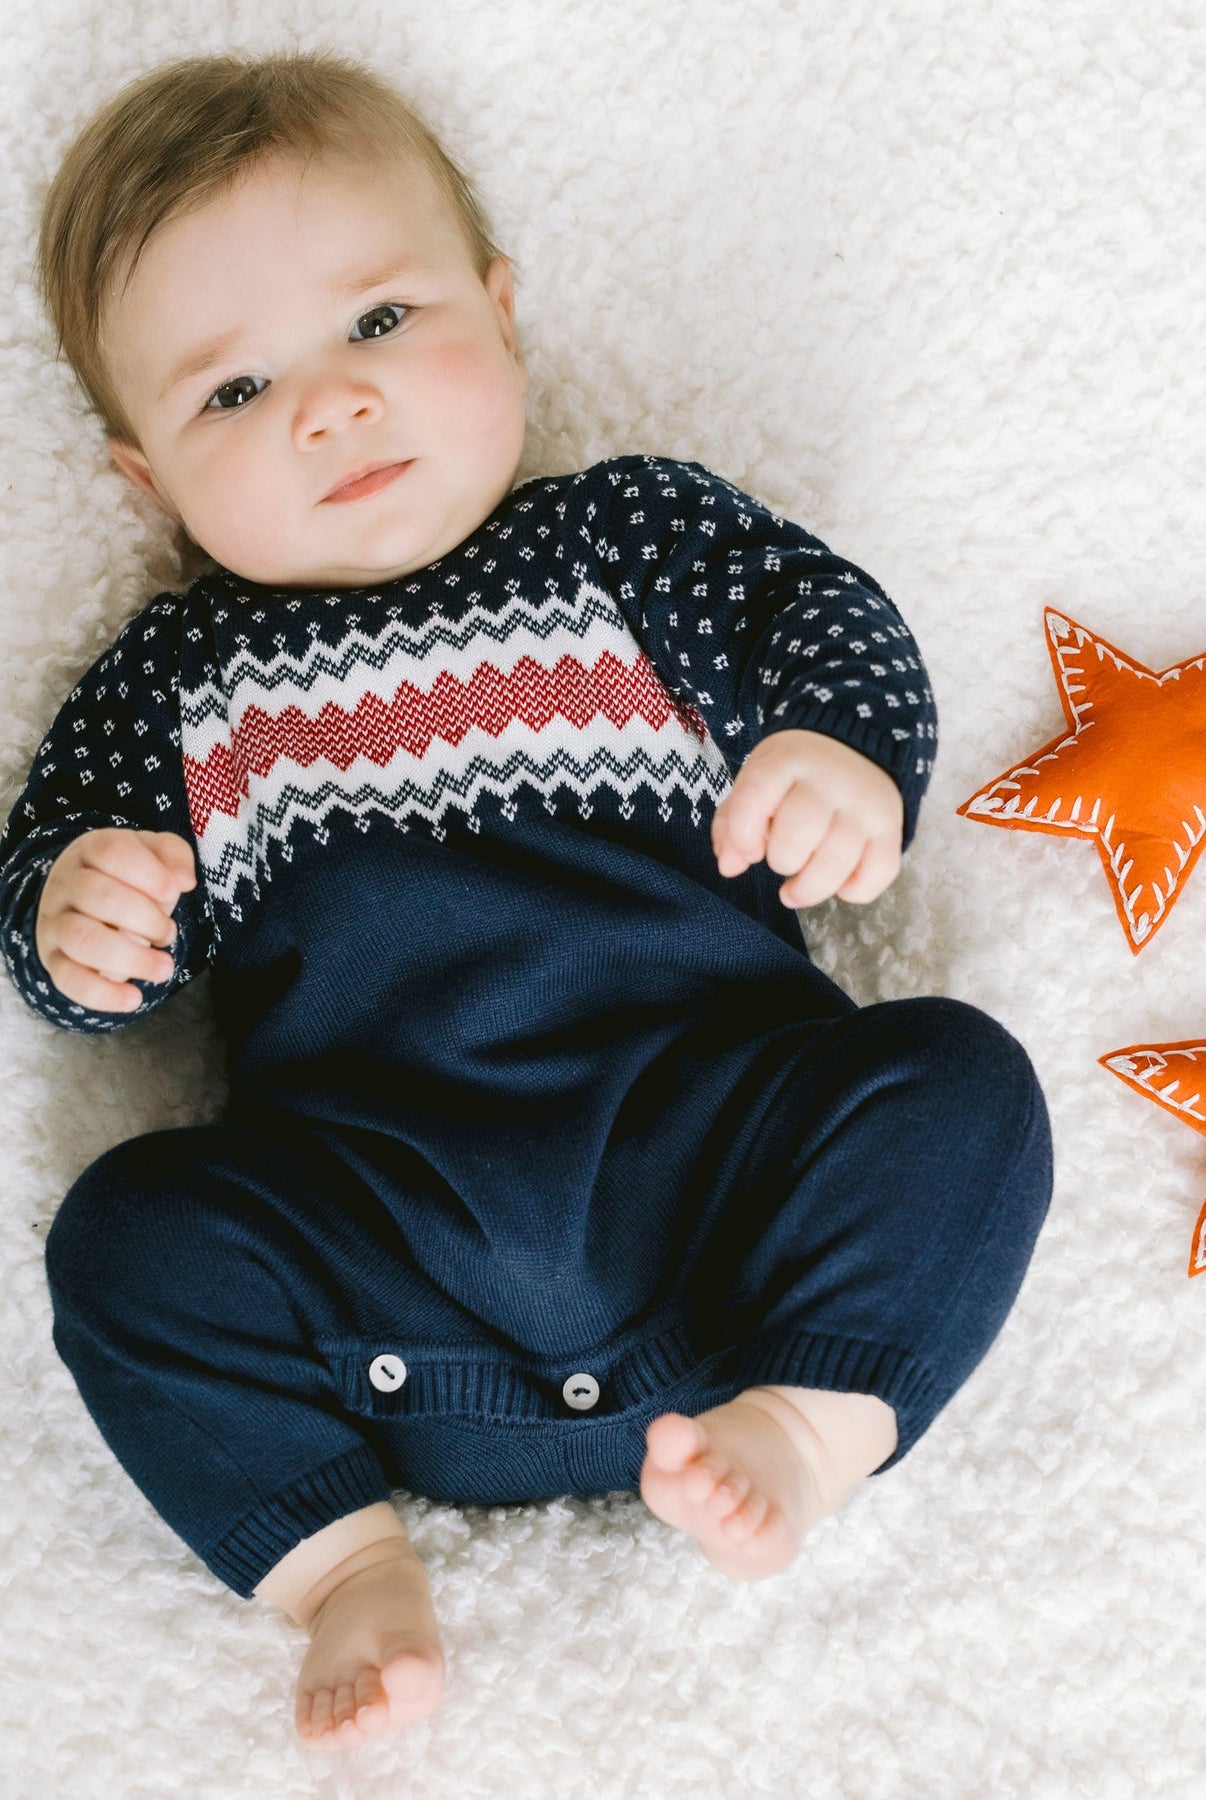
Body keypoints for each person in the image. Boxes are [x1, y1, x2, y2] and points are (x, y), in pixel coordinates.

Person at [0, 51, 1052, 1752]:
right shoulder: (179, 680)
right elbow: (63, 924)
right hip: (390, 1245)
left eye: (378, 322)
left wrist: (837, 752)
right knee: (127, 1242)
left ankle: (801, 1422)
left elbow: (820, 622)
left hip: (718, 1184)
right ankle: (344, 1564)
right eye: (231, 392)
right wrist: (77, 918)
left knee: (959, 1084)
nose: (328, 408)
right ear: (144, 482)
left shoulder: (619, 537)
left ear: (502, 312)